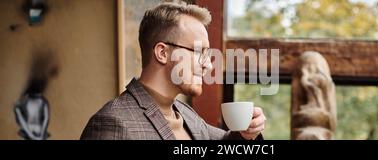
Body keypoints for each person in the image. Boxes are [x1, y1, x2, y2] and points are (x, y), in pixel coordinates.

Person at [80, 2, 266, 140]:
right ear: (162, 53)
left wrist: (248, 134)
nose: (208, 65)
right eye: (199, 51)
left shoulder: (185, 113)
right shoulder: (112, 124)